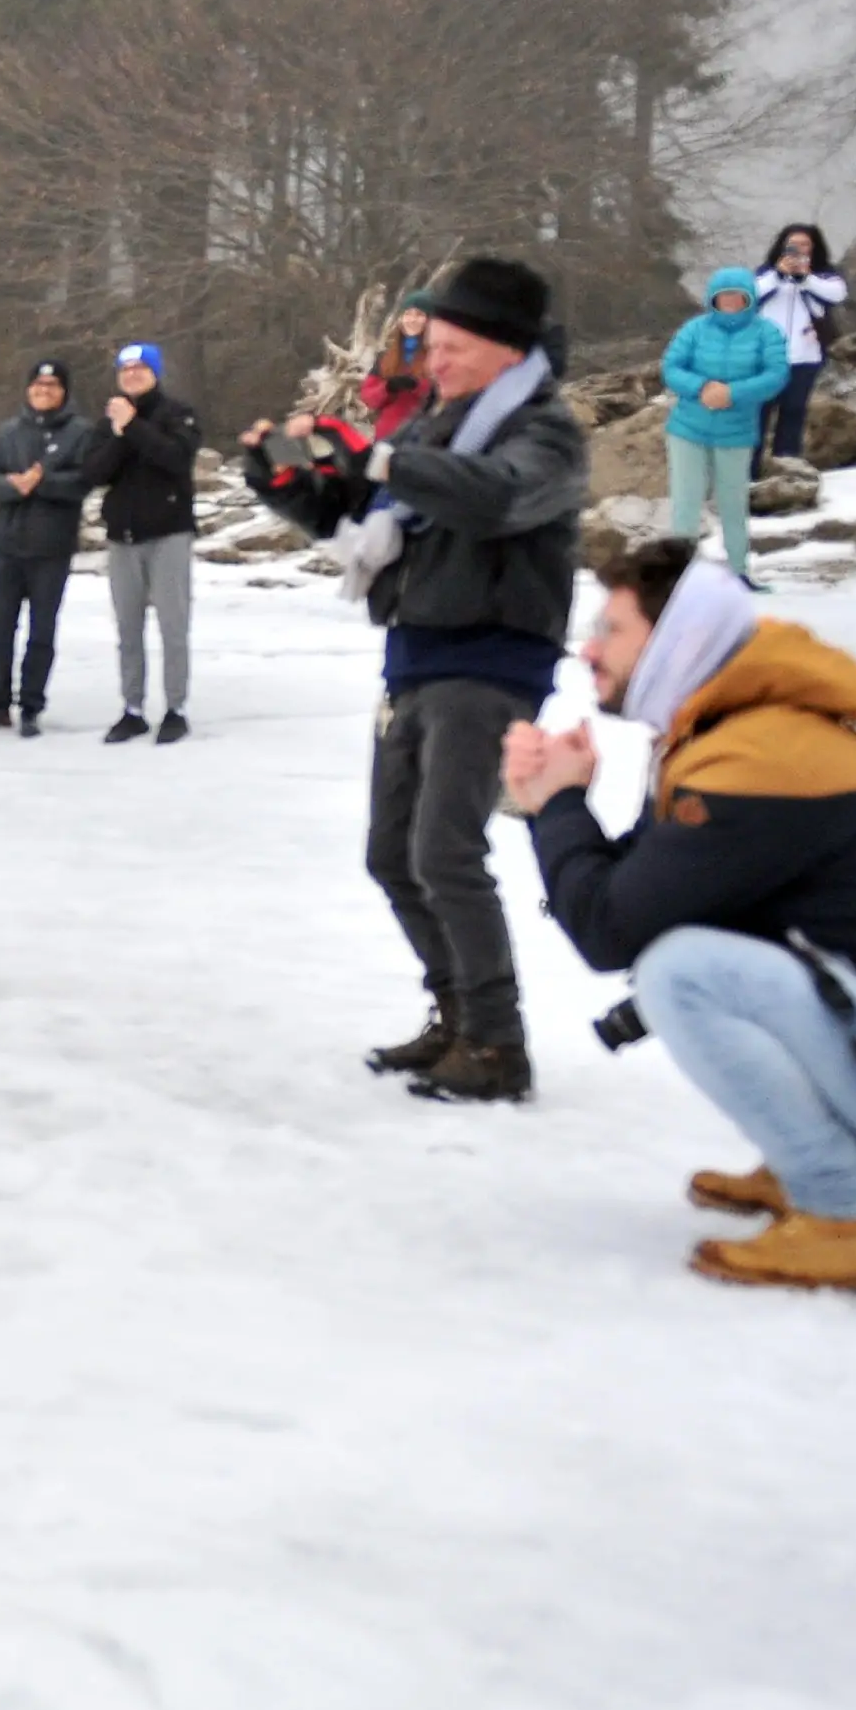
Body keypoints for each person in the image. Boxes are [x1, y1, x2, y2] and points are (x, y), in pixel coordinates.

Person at [509, 536, 856, 1288]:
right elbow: (640, 893)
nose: (588, 649)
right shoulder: (731, 734)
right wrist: (562, 801)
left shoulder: (758, 763)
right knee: (700, 939)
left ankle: (845, 1214)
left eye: (612, 629)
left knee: (685, 972)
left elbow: (612, 930)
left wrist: (558, 803)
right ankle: (803, 1162)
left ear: (678, 639)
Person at [243, 257, 585, 1102]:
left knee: (445, 852)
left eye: (453, 348)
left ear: (507, 350)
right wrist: (289, 481)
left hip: (492, 661)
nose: (434, 363)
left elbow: (494, 498)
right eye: (431, 347)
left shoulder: (544, 433)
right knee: (393, 856)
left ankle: (498, 1045)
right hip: (415, 656)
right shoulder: (436, 426)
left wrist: (382, 462)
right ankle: (457, 1017)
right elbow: (362, 513)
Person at [81, 339, 202, 744]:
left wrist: (133, 426)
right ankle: (132, 708)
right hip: (123, 537)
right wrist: (119, 433)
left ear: (155, 372)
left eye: (140, 368)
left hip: (168, 533)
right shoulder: (109, 420)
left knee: (172, 626)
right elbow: (95, 473)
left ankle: (175, 707)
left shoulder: (177, 414)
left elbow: (174, 459)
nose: (132, 375)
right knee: (128, 630)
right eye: (125, 369)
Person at [0, 359, 95, 737]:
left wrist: (41, 483)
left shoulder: (80, 432)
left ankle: (31, 705)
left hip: (51, 547)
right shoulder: (9, 430)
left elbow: (82, 481)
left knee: (41, 632)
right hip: (7, 545)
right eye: (38, 384)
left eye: (52, 385)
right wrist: (14, 487)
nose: (44, 390)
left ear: (64, 391)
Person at [660, 268, 788, 586]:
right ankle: (681, 574)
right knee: (686, 503)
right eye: (723, 295)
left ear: (749, 298)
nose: (730, 301)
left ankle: (739, 569)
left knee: (733, 503)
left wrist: (732, 393)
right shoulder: (694, 330)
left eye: (737, 295)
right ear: (712, 299)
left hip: (737, 431)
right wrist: (701, 387)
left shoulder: (767, 333)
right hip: (688, 428)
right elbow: (671, 367)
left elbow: (776, 375)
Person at [751, 222, 846, 467]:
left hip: (805, 356)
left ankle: (788, 469)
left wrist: (806, 279)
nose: (799, 249)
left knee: (793, 413)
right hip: (766, 359)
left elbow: (837, 294)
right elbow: (748, 294)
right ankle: (748, 471)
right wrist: (778, 274)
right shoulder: (765, 273)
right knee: (757, 414)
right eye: (793, 243)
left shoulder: (823, 274)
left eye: (805, 244)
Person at [357, 304, 433, 448]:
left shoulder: (437, 355)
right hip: (386, 436)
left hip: (421, 438)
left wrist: (417, 386)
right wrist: (388, 388)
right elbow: (368, 397)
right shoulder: (387, 357)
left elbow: (443, 394)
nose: (412, 320)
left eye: (419, 315)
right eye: (407, 314)